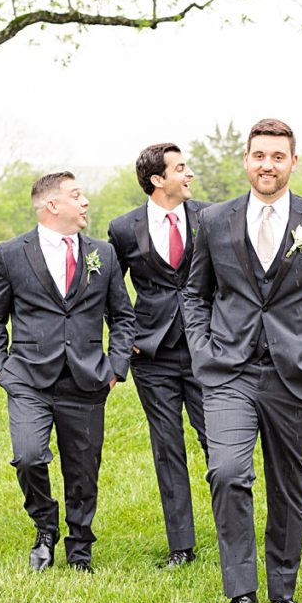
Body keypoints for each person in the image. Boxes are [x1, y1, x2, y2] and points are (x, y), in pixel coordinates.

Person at [183, 119, 302, 603]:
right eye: (259, 155)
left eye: (277, 156)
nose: (268, 165)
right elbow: (194, 294)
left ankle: (282, 587)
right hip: (228, 372)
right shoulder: (215, 220)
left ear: (293, 162)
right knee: (227, 472)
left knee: (288, 483)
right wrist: (202, 347)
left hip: (296, 373)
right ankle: (241, 594)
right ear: (246, 159)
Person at [0, 171, 135, 573]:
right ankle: (44, 525)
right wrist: (0, 368)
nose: (84, 202)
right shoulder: (12, 253)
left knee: (84, 469)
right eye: (76, 195)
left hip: (87, 378)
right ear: (52, 205)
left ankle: (80, 545)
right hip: (29, 378)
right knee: (29, 456)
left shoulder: (103, 253)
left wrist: (115, 367)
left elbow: (123, 316)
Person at [107, 143, 210, 568]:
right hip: (152, 354)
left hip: (207, 350)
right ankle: (181, 546)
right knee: (167, 449)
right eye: (180, 169)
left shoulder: (209, 217)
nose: (188, 176)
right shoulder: (123, 228)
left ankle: (232, 531)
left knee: (220, 445)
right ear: (157, 179)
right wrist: (126, 339)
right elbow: (112, 291)